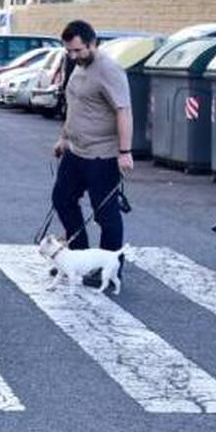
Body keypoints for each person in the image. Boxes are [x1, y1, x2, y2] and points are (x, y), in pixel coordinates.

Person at [50, 20, 133, 287]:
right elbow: (75, 105)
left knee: (105, 213)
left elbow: (124, 110)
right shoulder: (78, 66)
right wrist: (64, 137)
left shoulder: (109, 70)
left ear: (92, 43)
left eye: (78, 51)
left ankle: (109, 268)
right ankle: (78, 259)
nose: (73, 56)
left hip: (102, 155)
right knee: (62, 199)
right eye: (69, 51)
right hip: (76, 151)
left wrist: (125, 151)